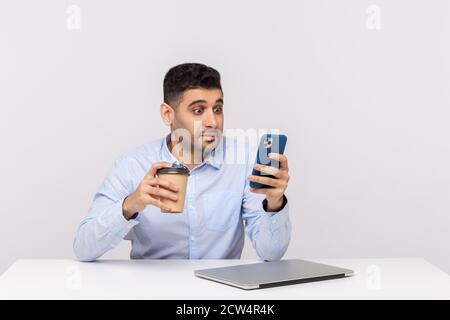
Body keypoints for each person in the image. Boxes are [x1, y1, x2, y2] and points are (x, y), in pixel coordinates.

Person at [73, 63, 291, 262]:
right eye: (198, 110)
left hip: (219, 293)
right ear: (168, 114)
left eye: (217, 109)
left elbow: (271, 254)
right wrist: (131, 204)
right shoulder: (133, 164)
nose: (213, 122)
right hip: (152, 290)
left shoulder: (244, 162)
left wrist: (274, 203)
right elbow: (83, 249)